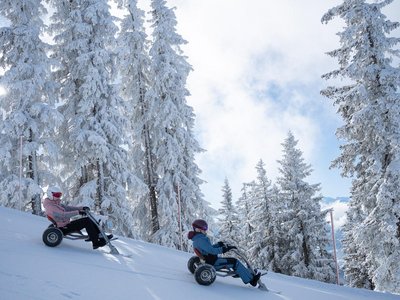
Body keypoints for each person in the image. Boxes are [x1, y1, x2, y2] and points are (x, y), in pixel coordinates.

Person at [188, 219, 261, 287]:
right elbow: (212, 251)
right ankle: (251, 280)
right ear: (198, 230)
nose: (205, 231)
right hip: (213, 262)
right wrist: (224, 249)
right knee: (235, 262)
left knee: (233, 262)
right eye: (204, 230)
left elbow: (208, 249)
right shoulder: (201, 240)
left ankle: (243, 273)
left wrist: (219, 244)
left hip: (209, 259)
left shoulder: (198, 239)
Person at [43, 186, 111, 249]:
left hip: (65, 225)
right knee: (86, 221)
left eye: (59, 195)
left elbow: (67, 208)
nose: (59, 197)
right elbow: (63, 215)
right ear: (50, 194)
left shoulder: (55, 203)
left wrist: (81, 208)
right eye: (57, 195)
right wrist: (78, 212)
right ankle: (96, 242)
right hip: (64, 228)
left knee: (88, 220)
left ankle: (99, 236)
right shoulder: (51, 207)